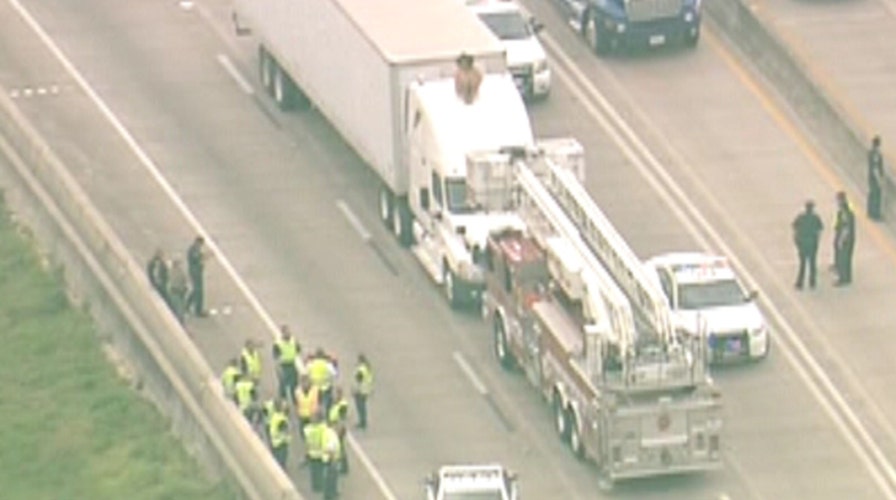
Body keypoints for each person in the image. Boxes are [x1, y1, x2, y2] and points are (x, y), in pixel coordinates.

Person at [791, 200, 823, 290]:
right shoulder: (816, 218)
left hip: (802, 243)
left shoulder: (801, 217)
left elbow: (794, 227)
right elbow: (820, 229)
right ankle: (812, 282)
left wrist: (797, 240)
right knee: (812, 263)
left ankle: (800, 283)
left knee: (802, 264)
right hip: (812, 243)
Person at [273, 324, 301, 405]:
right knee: (283, 386)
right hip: (283, 366)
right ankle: (283, 403)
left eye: (289, 331)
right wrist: (278, 369)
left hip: (292, 365)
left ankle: (295, 403)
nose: (288, 333)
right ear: (283, 333)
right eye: (286, 332)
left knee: (294, 385)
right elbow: (276, 358)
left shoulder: (293, 341)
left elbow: (298, 350)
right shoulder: (278, 344)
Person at [834, 191, 856, 286]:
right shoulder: (847, 210)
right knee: (847, 258)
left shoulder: (844, 212)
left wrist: (841, 240)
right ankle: (847, 277)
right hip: (849, 238)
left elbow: (845, 228)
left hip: (846, 239)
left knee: (844, 258)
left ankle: (843, 278)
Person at [306, 348, 337, 415]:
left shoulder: (311, 364)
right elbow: (335, 374)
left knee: (317, 403)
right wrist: (334, 364)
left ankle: (318, 415)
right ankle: (328, 415)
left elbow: (306, 373)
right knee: (327, 403)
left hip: (315, 387)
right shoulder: (327, 365)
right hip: (326, 387)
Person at [328, 387, 349, 474]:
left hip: (338, 427)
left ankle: (344, 467)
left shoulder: (342, 405)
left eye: (337, 394)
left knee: (340, 448)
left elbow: (342, 418)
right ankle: (343, 465)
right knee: (339, 447)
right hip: (335, 426)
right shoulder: (336, 404)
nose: (335, 396)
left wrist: (339, 428)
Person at [185, 236, 209, 317]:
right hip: (195, 272)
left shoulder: (195, 249)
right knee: (198, 291)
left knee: (196, 290)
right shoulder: (193, 250)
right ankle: (197, 310)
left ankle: (187, 306)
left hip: (197, 271)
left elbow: (200, 257)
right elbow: (197, 258)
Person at [303, 412, 326, 493]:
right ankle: (316, 486)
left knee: (318, 470)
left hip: (319, 453)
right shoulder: (308, 429)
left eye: (313, 417)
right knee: (315, 471)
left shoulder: (321, 428)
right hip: (314, 453)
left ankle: (318, 485)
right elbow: (307, 442)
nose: (312, 419)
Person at [321, 420, 343, 500]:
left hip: (328, 459)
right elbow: (330, 449)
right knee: (331, 478)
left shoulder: (328, 432)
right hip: (330, 461)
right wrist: (332, 460)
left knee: (331, 478)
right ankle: (329, 494)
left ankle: (331, 493)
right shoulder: (333, 437)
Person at [352, 354, 373, 430]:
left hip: (361, 390)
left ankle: (362, 422)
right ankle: (363, 421)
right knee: (363, 406)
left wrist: (355, 390)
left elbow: (358, 380)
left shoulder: (361, 369)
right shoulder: (367, 368)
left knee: (360, 407)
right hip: (366, 389)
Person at [167, 259, 190, 325]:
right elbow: (184, 281)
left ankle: (178, 322)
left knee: (176, 308)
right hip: (178, 292)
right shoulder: (179, 272)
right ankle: (180, 323)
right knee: (179, 309)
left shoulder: (170, 272)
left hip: (175, 291)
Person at [868, 135, 885, 220]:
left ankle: (870, 212)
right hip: (875, 178)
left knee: (871, 194)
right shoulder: (876, 155)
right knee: (876, 196)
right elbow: (876, 168)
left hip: (870, 177)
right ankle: (875, 215)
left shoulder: (870, 152)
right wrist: (879, 180)